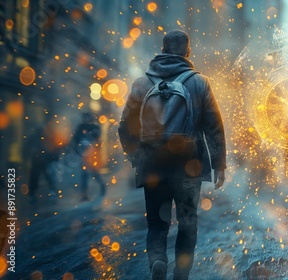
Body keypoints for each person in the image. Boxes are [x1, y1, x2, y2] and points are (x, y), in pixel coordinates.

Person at [118, 30, 226, 280]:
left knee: (157, 223)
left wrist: (136, 157)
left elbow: (125, 126)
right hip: (188, 165)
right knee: (188, 223)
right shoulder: (199, 82)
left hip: (153, 164)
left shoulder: (141, 83)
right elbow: (214, 127)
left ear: (163, 50)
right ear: (188, 53)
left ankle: (157, 261)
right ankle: (181, 274)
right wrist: (220, 164)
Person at [72, 112, 107, 201]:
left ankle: (102, 187)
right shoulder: (80, 128)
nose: (86, 120)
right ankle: (84, 195)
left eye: (87, 118)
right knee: (84, 174)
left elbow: (97, 138)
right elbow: (75, 139)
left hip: (92, 155)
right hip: (83, 155)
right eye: (85, 118)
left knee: (94, 173)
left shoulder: (94, 127)